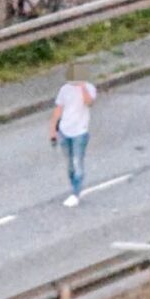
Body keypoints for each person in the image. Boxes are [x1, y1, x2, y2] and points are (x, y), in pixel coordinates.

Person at [48, 73, 98, 208]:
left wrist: (82, 87)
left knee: (77, 163)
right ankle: (73, 186)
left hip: (80, 132)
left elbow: (89, 102)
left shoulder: (89, 88)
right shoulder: (64, 89)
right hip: (64, 131)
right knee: (69, 164)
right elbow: (58, 111)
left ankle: (76, 193)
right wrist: (53, 130)